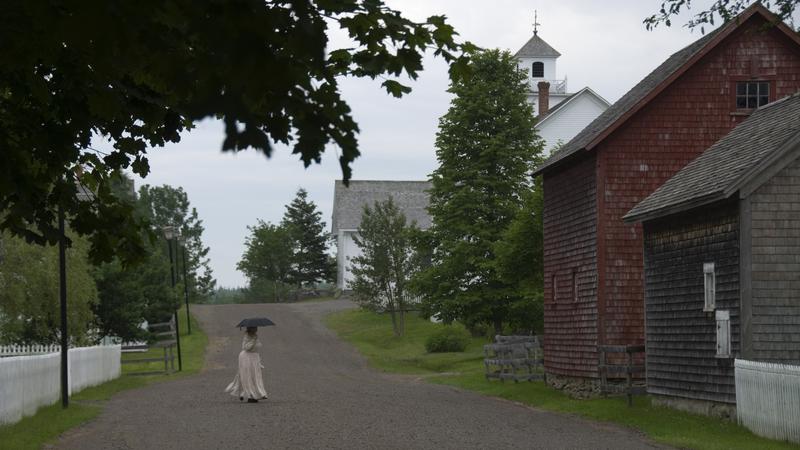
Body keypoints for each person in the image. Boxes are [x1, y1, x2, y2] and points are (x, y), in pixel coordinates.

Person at [225, 326, 268, 403]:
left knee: (255, 376)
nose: (256, 329)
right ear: (250, 328)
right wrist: (253, 341)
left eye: (256, 327)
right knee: (247, 376)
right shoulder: (246, 336)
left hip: (254, 357)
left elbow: (257, 347)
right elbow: (246, 347)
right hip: (246, 357)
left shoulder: (255, 336)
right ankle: (250, 395)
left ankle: (257, 394)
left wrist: (259, 362)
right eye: (254, 328)